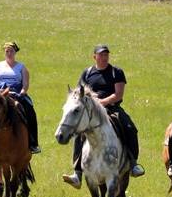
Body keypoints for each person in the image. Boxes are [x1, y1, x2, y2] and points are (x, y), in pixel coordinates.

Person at [61, 45, 146, 187]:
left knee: (130, 128)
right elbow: (78, 94)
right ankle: (77, 173)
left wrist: (102, 102)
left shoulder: (116, 72)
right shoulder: (87, 73)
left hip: (112, 108)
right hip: (91, 112)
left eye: (106, 55)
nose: (104, 57)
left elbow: (118, 94)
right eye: (101, 55)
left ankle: (133, 164)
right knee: (79, 133)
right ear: (94, 57)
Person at [0, 42, 41, 155]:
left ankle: (33, 143)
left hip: (15, 93)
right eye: (7, 51)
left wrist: (21, 93)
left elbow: (25, 84)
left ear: (15, 52)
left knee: (30, 110)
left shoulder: (21, 67)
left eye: (11, 51)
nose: (9, 53)